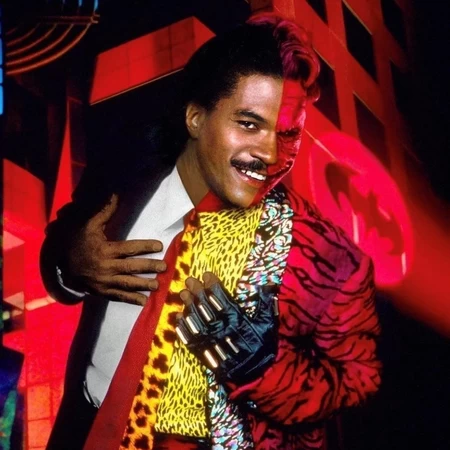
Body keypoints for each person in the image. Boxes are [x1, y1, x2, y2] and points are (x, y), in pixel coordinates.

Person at [40, 13, 381, 450]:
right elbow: (61, 247)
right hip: (83, 431)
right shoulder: (127, 167)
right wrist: (71, 266)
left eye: (289, 133)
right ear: (197, 118)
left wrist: (264, 370)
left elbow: (358, 383)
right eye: (249, 123)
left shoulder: (330, 260)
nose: (270, 153)